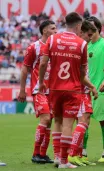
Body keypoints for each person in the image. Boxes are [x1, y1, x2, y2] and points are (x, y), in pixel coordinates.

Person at [39, 12, 96, 169]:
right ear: (78, 26)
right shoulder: (82, 44)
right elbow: (83, 73)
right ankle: (64, 161)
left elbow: (43, 64)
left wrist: (41, 82)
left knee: (56, 121)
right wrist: (90, 85)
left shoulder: (51, 39)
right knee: (67, 124)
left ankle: (57, 157)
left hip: (54, 88)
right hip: (73, 89)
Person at [18, 20, 57, 164]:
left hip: (52, 90)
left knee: (49, 122)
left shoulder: (55, 47)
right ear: (45, 30)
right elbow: (24, 69)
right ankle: (35, 154)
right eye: (53, 28)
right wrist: (22, 90)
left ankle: (43, 154)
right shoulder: (33, 47)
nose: (55, 31)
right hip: (38, 89)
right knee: (45, 119)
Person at [82, 16, 104, 163]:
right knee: (83, 122)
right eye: (87, 28)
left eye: (92, 28)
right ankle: (82, 152)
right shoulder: (84, 45)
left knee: (103, 121)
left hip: (102, 89)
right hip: (85, 89)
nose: (89, 31)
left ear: (98, 29)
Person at [71, 20, 98, 166]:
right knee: (83, 121)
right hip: (80, 90)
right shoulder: (79, 46)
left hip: (83, 90)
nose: (90, 38)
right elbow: (80, 74)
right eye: (88, 34)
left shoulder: (82, 47)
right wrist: (92, 87)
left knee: (84, 121)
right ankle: (72, 154)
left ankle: (79, 154)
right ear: (81, 32)